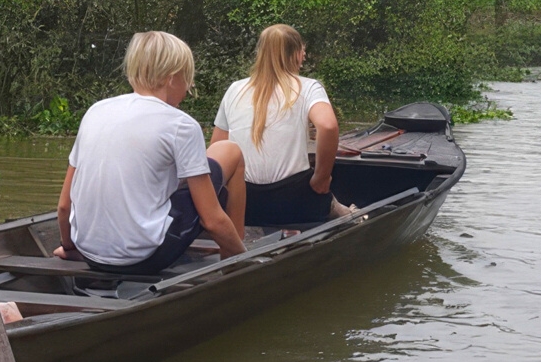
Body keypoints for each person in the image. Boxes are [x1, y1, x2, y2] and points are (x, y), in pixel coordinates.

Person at [53, 31, 247, 277]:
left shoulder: (96, 111)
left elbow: (63, 207)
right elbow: (212, 221)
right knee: (228, 156)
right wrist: (246, 258)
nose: (188, 89)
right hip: (144, 259)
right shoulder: (182, 125)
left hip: (90, 254)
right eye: (187, 79)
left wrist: (70, 247)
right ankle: (234, 262)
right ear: (171, 77)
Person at [210, 25, 352, 225]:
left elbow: (217, 149)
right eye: (303, 51)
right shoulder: (308, 87)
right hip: (295, 203)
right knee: (335, 204)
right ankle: (350, 214)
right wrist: (321, 177)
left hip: (246, 204)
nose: (304, 57)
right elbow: (328, 126)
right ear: (296, 54)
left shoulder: (234, 90)